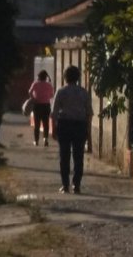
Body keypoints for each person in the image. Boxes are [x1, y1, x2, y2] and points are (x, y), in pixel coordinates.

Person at [51, 65, 93, 194]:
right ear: (78, 77)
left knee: (64, 156)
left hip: (64, 125)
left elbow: (54, 112)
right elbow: (89, 113)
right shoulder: (84, 92)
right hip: (80, 125)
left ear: (65, 77)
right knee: (78, 156)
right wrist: (88, 130)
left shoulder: (61, 91)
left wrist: (54, 128)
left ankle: (65, 185)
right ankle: (77, 185)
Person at [28, 70, 55, 146]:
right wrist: (46, 97)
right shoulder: (49, 85)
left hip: (37, 105)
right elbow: (52, 95)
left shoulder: (35, 84)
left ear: (38, 76)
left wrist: (33, 97)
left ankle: (36, 141)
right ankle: (45, 139)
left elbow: (30, 92)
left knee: (37, 124)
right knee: (46, 123)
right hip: (46, 105)